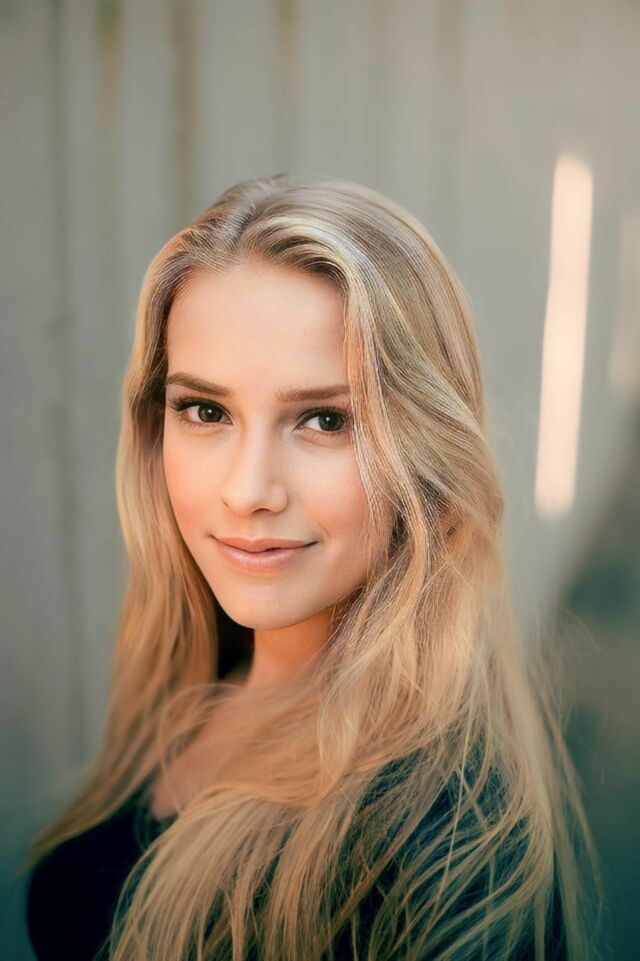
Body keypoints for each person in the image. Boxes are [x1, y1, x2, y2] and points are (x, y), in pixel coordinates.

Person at [20, 173, 600, 960]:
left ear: (425, 451)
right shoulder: (190, 689)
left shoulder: (439, 853)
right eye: (205, 411)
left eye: (325, 420)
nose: (248, 490)